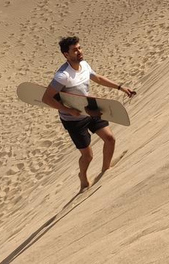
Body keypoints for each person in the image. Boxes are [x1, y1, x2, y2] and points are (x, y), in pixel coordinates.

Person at [42, 36, 136, 190]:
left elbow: (97, 78)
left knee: (110, 139)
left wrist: (121, 87)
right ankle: (83, 177)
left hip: (89, 110)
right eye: (75, 50)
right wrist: (69, 110)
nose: (79, 52)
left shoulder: (84, 65)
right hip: (73, 119)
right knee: (88, 155)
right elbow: (46, 98)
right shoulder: (62, 76)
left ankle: (106, 170)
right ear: (66, 55)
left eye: (79, 48)